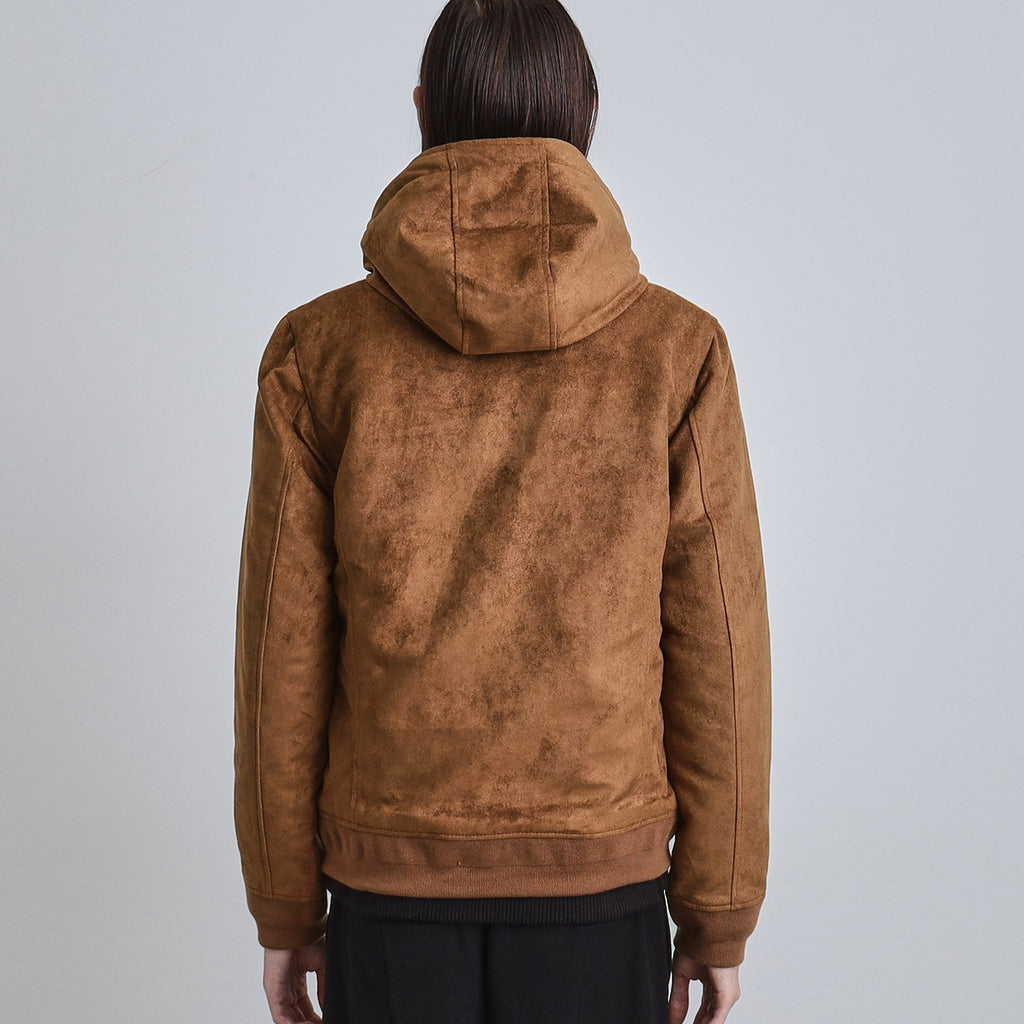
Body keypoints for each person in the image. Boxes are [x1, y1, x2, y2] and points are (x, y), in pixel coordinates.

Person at [232, 1, 772, 1022]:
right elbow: (723, 654)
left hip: (389, 889)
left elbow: (279, 655)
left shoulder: (318, 352)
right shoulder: (678, 349)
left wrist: (284, 905)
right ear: (589, 113)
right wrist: (719, 912)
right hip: (601, 884)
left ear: (421, 108)